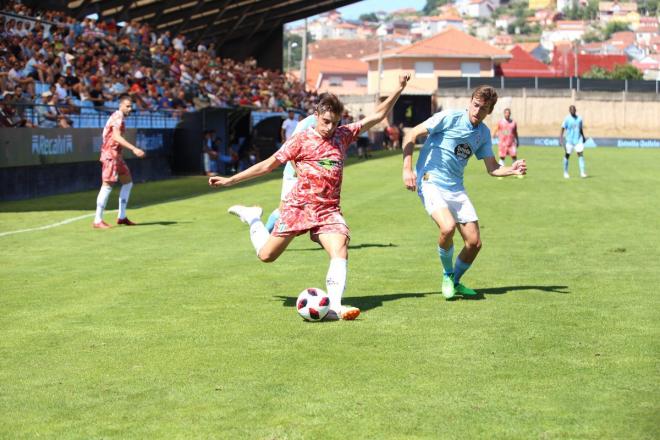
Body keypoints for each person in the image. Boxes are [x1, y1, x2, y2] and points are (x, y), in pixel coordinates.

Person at [210, 75, 411, 320]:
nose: (329, 127)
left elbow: (377, 116)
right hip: (298, 207)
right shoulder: (301, 140)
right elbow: (268, 165)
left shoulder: (343, 135)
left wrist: (398, 88)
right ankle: (253, 218)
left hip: (327, 211)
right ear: (316, 116)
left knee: (340, 249)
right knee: (266, 256)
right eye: (326, 121)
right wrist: (231, 180)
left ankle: (335, 306)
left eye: (335, 123)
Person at [401, 85, 527, 300]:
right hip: (430, 180)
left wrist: (512, 170)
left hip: (455, 187)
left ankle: (454, 281)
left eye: (483, 108)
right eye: (476, 105)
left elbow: (492, 168)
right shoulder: (449, 117)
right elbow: (412, 133)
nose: (477, 111)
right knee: (447, 227)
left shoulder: (483, 133)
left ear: (489, 111)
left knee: (474, 243)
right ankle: (447, 276)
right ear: (470, 102)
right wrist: (407, 169)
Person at [93, 94, 146, 229]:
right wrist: (134, 148)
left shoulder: (120, 117)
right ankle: (97, 220)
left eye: (131, 107)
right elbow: (116, 137)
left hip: (117, 155)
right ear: (120, 105)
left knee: (127, 183)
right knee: (107, 185)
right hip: (110, 154)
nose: (130, 109)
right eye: (127, 106)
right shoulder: (118, 116)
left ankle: (121, 217)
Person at [265, 114, 318, 233]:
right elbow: (293, 150)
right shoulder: (308, 123)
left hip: (307, 174)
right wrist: (299, 173)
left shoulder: (324, 123)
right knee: (284, 210)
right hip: (294, 174)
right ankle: (261, 230)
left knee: (309, 212)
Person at [560, 105, 587, 179]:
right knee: (567, 155)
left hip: (578, 140)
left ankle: (582, 172)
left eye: (574, 110)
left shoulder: (579, 119)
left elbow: (580, 129)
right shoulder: (567, 119)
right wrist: (561, 139)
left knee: (580, 155)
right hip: (569, 140)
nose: (573, 111)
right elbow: (562, 128)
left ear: (575, 110)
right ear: (569, 111)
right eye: (571, 110)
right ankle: (565, 172)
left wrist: (583, 137)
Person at [494, 108, 520, 176]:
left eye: (508, 113)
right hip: (503, 144)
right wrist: (493, 135)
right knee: (502, 157)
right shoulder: (500, 122)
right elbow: (496, 129)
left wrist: (517, 140)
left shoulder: (513, 123)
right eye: (506, 113)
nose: (507, 114)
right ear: (504, 114)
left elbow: (515, 132)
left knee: (514, 157)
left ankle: (516, 172)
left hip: (511, 143)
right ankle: (500, 172)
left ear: (510, 114)